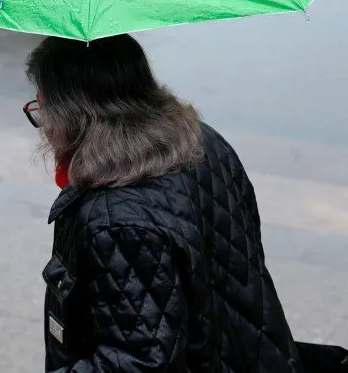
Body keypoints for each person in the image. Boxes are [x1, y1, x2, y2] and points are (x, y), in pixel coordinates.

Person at [23, 33, 304, 372]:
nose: (45, 128)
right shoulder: (201, 142)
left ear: (73, 113)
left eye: (43, 108)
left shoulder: (116, 220)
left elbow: (140, 361)